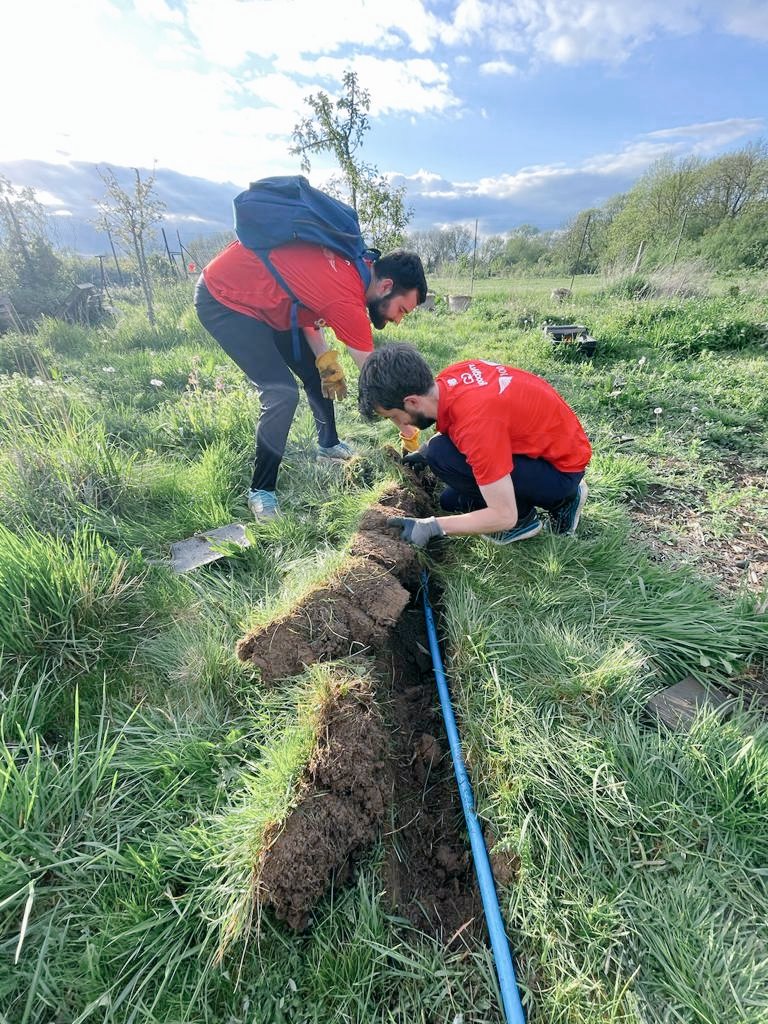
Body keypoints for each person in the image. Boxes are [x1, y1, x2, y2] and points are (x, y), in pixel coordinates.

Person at [194, 241, 427, 518]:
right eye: (402, 310)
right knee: (281, 393)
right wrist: (408, 426)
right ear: (386, 286)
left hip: (273, 306)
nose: (398, 320)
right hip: (226, 299)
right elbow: (377, 378)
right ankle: (261, 491)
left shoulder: (355, 269)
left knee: (322, 373)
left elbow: (308, 310)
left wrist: (325, 362)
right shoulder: (345, 292)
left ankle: (328, 445)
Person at [357, 343, 592, 546]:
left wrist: (432, 526)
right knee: (449, 499)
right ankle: (545, 499)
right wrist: (425, 450)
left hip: (560, 471)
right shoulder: (451, 377)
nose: (400, 423)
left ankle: (543, 511)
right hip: (546, 449)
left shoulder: (477, 425)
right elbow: (458, 419)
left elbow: (503, 515)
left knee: (441, 455)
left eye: (394, 417)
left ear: (412, 401)